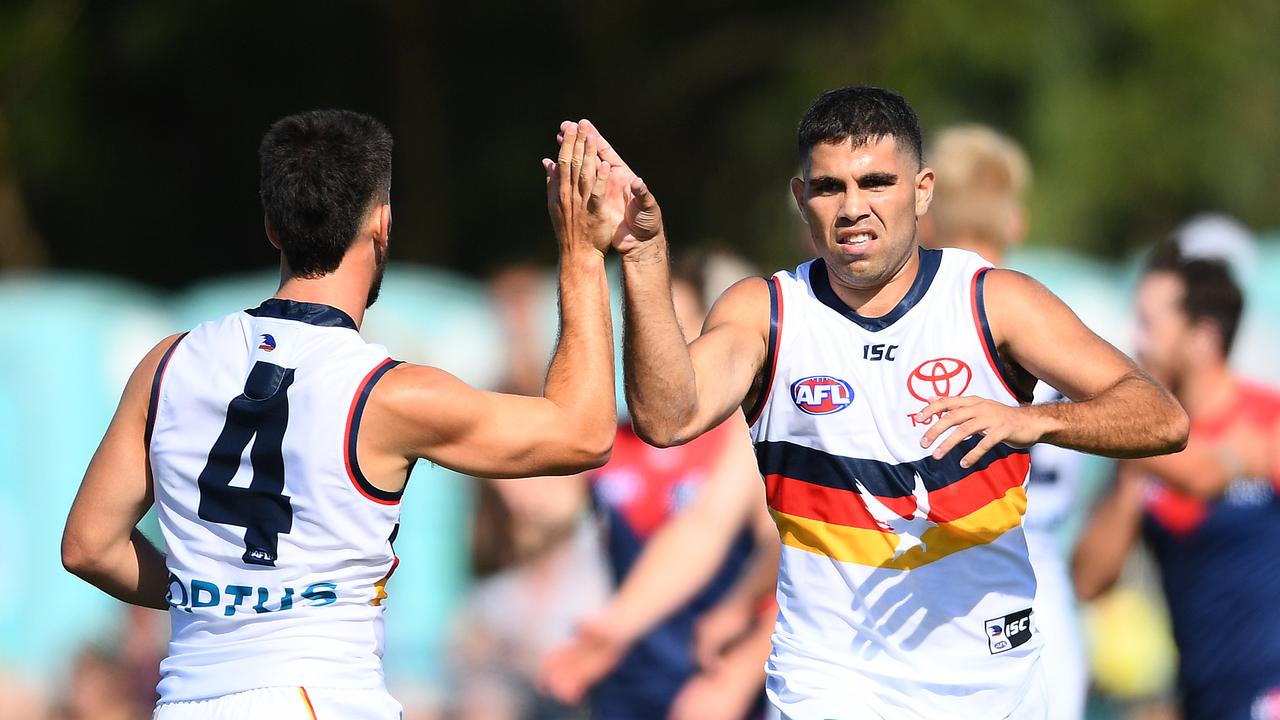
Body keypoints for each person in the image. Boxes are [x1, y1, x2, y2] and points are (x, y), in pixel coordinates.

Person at [584, 86, 1188, 718]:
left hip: (992, 675)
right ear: (800, 199)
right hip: (831, 678)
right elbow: (666, 416)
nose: (852, 208)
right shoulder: (767, 312)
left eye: (876, 182)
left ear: (923, 192)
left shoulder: (992, 301)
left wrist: (1030, 420)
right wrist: (644, 255)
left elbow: (1162, 416)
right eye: (828, 187)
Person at [61, 111, 624, 718]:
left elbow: (89, 546)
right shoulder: (388, 395)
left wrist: (214, 594)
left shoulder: (166, 366)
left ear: (272, 227)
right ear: (383, 225)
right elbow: (585, 433)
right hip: (320, 699)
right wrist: (580, 252)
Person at [538, 262, 779, 720]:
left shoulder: (741, 437)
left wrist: (741, 668)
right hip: (626, 679)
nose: (660, 349)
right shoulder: (603, 441)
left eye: (678, 329)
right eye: (642, 329)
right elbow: (534, 509)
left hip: (714, 679)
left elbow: (795, 558)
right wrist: (579, 259)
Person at [919, 125, 1089, 720]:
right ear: (1015, 222)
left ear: (925, 218)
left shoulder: (917, 322)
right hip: (1048, 596)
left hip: (938, 590)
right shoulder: (1063, 317)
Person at [1073, 243, 1280, 720]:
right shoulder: (1145, 452)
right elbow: (1087, 581)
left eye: (1149, 324)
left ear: (1203, 338)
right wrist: (1133, 469)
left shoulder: (1268, 425)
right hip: (1203, 698)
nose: (1134, 340)